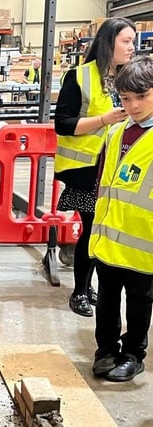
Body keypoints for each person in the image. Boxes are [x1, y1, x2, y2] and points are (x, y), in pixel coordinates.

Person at [54, 17, 134, 317]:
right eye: (125, 41)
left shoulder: (130, 78)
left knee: (104, 228)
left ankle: (89, 287)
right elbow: (63, 123)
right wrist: (104, 119)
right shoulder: (80, 76)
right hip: (87, 169)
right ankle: (80, 291)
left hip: (118, 168)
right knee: (91, 228)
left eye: (132, 42)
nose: (131, 48)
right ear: (108, 42)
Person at [89, 55, 153, 382]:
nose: (133, 105)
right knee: (107, 300)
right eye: (126, 98)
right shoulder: (115, 133)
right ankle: (105, 351)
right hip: (109, 238)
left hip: (144, 244)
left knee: (139, 302)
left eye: (142, 96)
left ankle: (132, 355)